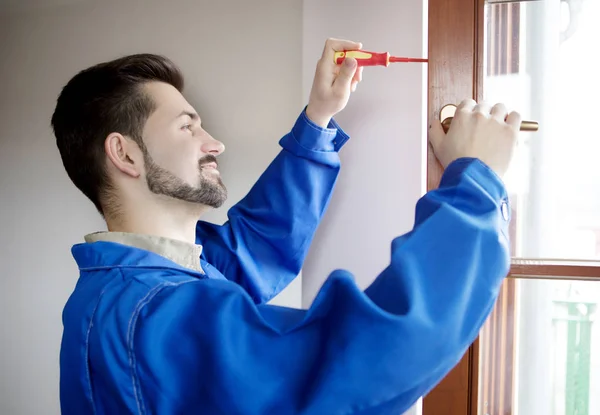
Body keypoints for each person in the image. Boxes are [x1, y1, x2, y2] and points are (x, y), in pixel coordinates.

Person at [52, 37, 521, 415]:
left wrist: (319, 118)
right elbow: (382, 349)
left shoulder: (138, 285)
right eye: (187, 127)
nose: (214, 143)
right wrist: (475, 182)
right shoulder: (152, 317)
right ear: (125, 154)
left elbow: (254, 247)